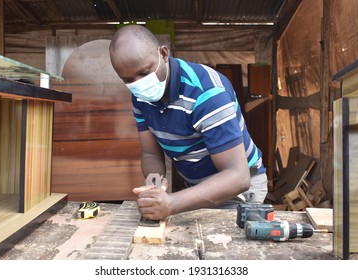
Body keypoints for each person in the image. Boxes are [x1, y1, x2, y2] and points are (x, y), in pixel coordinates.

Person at [109, 25, 268, 221]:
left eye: (144, 72)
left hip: (238, 192)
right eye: (128, 79)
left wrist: (172, 203)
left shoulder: (207, 93)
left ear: (164, 54)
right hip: (197, 189)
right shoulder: (140, 98)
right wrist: (154, 180)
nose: (139, 83)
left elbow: (238, 176)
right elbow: (150, 153)